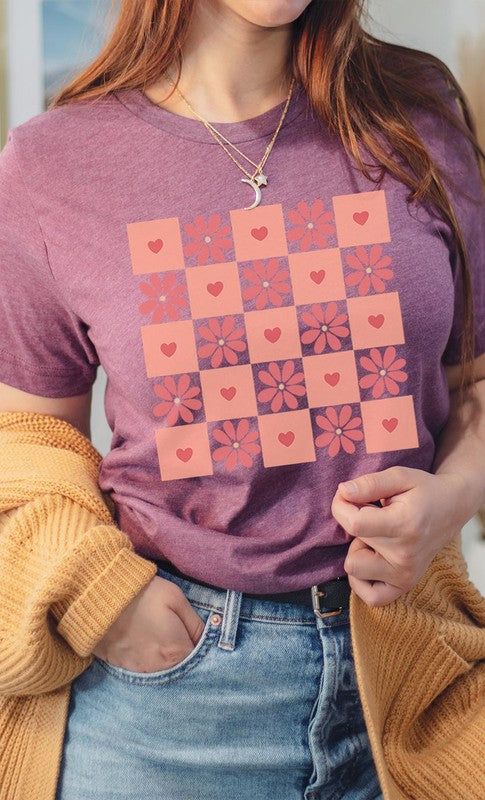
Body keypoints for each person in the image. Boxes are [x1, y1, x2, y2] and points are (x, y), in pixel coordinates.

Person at [0, 1, 484, 798]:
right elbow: (24, 448)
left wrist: (453, 497)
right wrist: (105, 601)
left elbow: (472, 379)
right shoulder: (55, 165)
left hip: (411, 677)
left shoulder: (416, 112)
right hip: (172, 704)